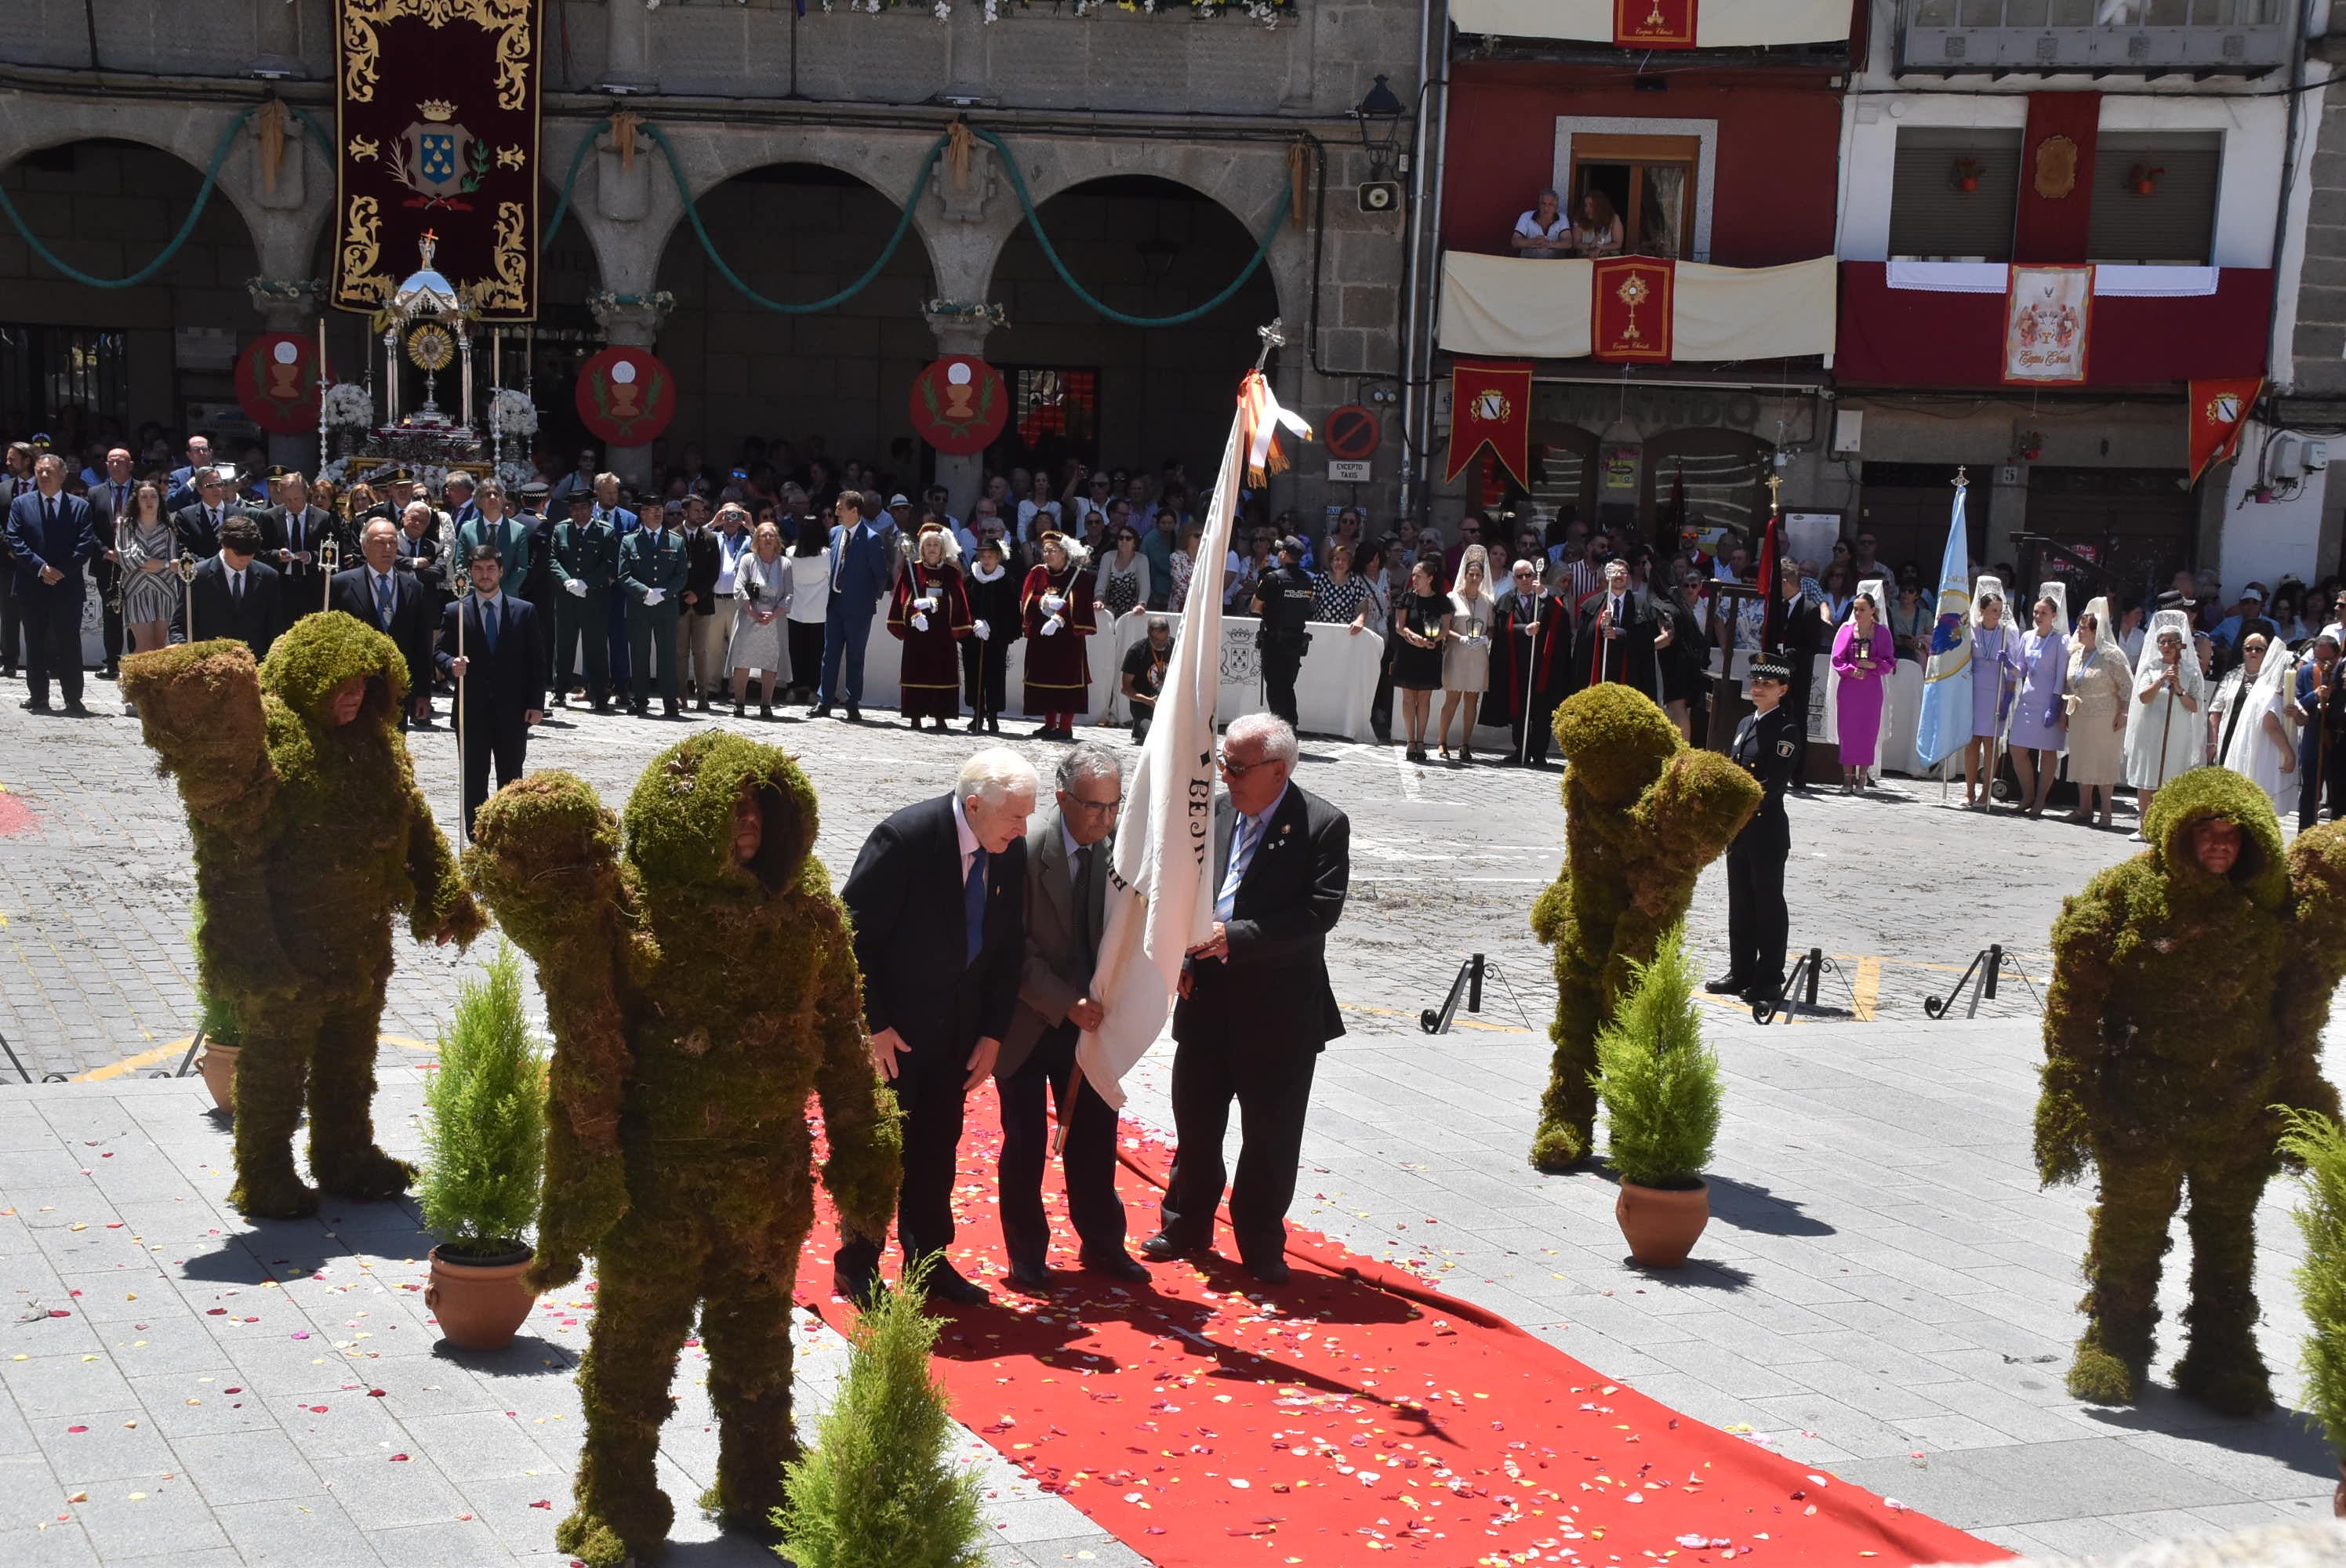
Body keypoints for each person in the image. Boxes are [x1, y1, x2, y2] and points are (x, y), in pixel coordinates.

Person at [2035, 768, 2346, 1415]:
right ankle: (2115, 1343)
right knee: (2130, 1231)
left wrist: (2303, 1098)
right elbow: (2076, 996)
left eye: (2233, 835)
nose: (2220, 846)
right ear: (2178, 834)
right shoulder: (2124, 894)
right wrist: (2069, 1090)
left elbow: (2299, 1006)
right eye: (2206, 833)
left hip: (2239, 1109)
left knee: (2229, 1238)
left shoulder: (2270, 906)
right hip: (2141, 1106)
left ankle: (2222, 1354)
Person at [1143, 714, 1349, 1286]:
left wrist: (1234, 939)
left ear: (1278, 770)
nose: (1225, 775)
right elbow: (1187, 891)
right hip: (1207, 999)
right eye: (1223, 762)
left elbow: (1318, 913)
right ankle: (1185, 1223)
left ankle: (1260, 1243)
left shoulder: (1321, 826)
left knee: (1270, 1137)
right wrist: (1184, 957)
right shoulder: (1214, 811)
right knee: (1196, 1123)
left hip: (1278, 1012)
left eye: (1237, 766)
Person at [836, 749, 1038, 1308]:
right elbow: (851, 937)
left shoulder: (1008, 847)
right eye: (1015, 817)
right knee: (882, 1151)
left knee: (936, 1150)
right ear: (974, 806)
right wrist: (872, 1025)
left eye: (1027, 816)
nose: (1025, 829)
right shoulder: (906, 840)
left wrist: (993, 1034)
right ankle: (857, 1263)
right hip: (893, 1036)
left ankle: (927, 1262)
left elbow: (1006, 950)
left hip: (958, 1036)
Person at [996, 744, 1149, 1288]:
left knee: (1094, 1135)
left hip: (1088, 1028)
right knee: (1026, 1139)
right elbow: (1012, 949)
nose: (1105, 820)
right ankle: (1027, 1254)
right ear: (1062, 799)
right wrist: (1067, 1002)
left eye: (1114, 807)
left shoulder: (1116, 854)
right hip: (1026, 1023)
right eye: (1094, 807)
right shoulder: (1025, 849)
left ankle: (1103, 1243)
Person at [1712, 655, 1798, 1004]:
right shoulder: (1746, 722)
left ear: (1783, 690)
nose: (1758, 688)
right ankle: (1741, 970)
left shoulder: (1786, 729)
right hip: (1739, 831)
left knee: (1767, 904)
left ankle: (1769, 977)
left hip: (1765, 829)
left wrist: (1740, 805)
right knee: (1741, 903)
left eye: (1767, 684)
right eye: (1756, 682)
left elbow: (1772, 783)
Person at [5, 453, 99, 715]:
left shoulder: (79, 506)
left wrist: (60, 571)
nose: (44, 476)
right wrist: (40, 568)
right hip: (31, 584)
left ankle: (73, 698)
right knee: (35, 643)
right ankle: (38, 697)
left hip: (67, 586)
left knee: (69, 643)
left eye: (49, 472)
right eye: (39, 471)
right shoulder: (21, 505)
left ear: (62, 475)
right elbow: (15, 539)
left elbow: (85, 543)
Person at [329, 517, 435, 728]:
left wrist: (423, 693)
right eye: (379, 542)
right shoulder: (342, 584)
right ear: (365, 546)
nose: (387, 548)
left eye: (393, 542)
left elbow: (422, 644)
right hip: (356, 688)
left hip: (397, 689)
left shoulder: (414, 588)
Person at [2123, 608, 2206, 834]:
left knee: (2170, 778)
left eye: (2171, 642)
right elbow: (2143, 697)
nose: (2167, 646)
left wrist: (2179, 688)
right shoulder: (2150, 668)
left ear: (2180, 644)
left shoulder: (2190, 671)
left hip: (2176, 731)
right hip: (2150, 728)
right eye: (2162, 642)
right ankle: (2144, 826)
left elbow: (2195, 706)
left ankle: (2165, 829)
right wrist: (2161, 680)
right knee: (2147, 776)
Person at [813, 492, 891, 721]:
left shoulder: (871, 538)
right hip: (835, 604)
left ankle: (852, 702)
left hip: (859, 609)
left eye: (840, 508)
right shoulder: (835, 533)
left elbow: (880, 575)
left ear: (854, 511)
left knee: (855, 656)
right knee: (830, 655)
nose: (836, 513)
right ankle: (824, 701)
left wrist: (870, 598)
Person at [889, 523, 972, 731]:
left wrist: (937, 603)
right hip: (918, 634)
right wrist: (915, 614)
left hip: (942, 634)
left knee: (942, 672)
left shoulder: (951, 573)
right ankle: (915, 715)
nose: (933, 549)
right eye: (929, 545)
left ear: (943, 549)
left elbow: (959, 601)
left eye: (936, 545)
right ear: (922, 549)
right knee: (916, 671)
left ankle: (941, 716)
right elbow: (903, 599)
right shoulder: (912, 571)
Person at [1494, 559, 1571, 768]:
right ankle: (1521, 750)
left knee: (1542, 711)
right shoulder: (1506, 600)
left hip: (1544, 663)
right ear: (1514, 579)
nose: (1525, 579)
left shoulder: (1550, 596)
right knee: (1519, 710)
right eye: (1520, 576)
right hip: (1517, 663)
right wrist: (1523, 630)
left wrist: (1544, 596)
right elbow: (1500, 632)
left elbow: (1563, 620)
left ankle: (1539, 753)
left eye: (1529, 574)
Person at [2062, 597, 2132, 829]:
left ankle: (2106, 811)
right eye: (2080, 627)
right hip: (2080, 713)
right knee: (2082, 760)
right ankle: (2084, 808)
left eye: (2084, 628)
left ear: (2096, 630)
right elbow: (2069, 683)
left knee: (2103, 762)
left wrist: (2123, 713)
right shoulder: (2076, 653)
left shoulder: (2112, 655)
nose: (2079, 632)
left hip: (2105, 715)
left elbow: (2126, 686)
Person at [548, 490, 620, 713]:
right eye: (574, 508)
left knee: (596, 647)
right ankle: (560, 691)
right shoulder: (561, 529)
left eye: (583, 508)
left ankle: (600, 693)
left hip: (594, 598)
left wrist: (586, 583)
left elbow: (610, 565)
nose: (579, 512)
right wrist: (567, 581)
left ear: (591, 508)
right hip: (567, 596)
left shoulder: (605, 532)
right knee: (564, 645)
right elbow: (552, 560)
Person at [1022, 532, 1097, 742]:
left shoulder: (1078, 576)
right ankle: (1048, 724)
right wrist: (1043, 602)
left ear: (1064, 553)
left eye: (1052, 551)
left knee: (1067, 681)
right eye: (1044, 550)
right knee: (1044, 678)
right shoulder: (1037, 573)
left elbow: (1081, 602)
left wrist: (1059, 618)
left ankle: (1065, 727)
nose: (1047, 555)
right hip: (1042, 636)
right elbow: (1028, 596)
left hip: (1067, 640)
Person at [618, 499, 688, 718]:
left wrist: (663, 593)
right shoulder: (630, 541)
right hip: (640, 606)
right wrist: (645, 593)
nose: (658, 514)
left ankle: (670, 700)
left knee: (667, 655)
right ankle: (640, 699)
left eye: (660, 510)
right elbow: (624, 575)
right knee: (639, 654)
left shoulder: (676, 541)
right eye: (652, 511)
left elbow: (681, 575)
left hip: (666, 607)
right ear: (643, 513)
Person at [2217, 630, 2298, 818]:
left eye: (2259, 649)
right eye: (2249, 649)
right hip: (2263, 753)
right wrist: (2288, 753)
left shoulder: (2267, 688)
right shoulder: (2267, 690)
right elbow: (2270, 723)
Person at [187, 514, 283, 668]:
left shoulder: (268, 577)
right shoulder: (197, 576)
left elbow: (276, 626)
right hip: (209, 666)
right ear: (224, 545)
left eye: (250, 554)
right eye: (239, 554)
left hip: (255, 665)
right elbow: (182, 624)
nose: (244, 560)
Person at [2009, 594, 2071, 819]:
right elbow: (2021, 670)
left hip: (2049, 700)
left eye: (2043, 613)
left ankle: (2041, 799)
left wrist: (2055, 703)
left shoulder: (2061, 640)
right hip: (2028, 700)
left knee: (2048, 751)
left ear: (2054, 616)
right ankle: (2027, 794)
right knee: (2017, 748)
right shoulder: (2027, 636)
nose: (2038, 616)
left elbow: (2062, 674)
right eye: (2036, 612)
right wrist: (2010, 665)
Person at [1963, 579, 2021, 811]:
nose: (1997, 615)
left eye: (2000, 611)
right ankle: (1969, 791)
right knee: (1971, 743)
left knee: (1990, 744)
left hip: (1995, 694)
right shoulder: (1972, 631)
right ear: (1982, 611)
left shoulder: (2008, 633)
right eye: (1993, 611)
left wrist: (2008, 696)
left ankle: (1986, 791)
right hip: (1974, 692)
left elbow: (2016, 671)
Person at [1435, 542, 1495, 763]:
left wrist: (1485, 638)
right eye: (1471, 574)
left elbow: (1490, 626)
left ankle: (1465, 743)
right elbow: (1445, 627)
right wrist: (1459, 637)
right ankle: (1442, 741)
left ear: (1482, 577)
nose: (1474, 578)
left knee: (1472, 700)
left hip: (1478, 654)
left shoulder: (1487, 601)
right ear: (1465, 574)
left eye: (1478, 574)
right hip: (1457, 651)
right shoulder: (1452, 598)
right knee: (1452, 699)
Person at [725, 520, 791, 720]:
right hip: (749, 617)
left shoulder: (785, 563)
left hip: (774, 619)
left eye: (772, 535)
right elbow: (738, 588)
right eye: (764, 535)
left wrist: (774, 614)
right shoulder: (748, 560)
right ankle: (739, 704)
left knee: (770, 663)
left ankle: (766, 704)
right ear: (757, 539)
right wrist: (753, 612)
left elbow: (789, 595)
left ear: (777, 539)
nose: (768, 538)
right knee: (742, 660)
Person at [1829, 591, 1894, 795]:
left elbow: (1890, 662)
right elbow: (1837, 659)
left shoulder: (1882, 633)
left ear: (1873, 610)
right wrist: (1850, 669)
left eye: (1862, 609)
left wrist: (1874, 664)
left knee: (1867, 731)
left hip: (1871, 689)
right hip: (1850, 688)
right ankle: (1847, 777)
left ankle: (1863, 778)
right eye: (1855, 609)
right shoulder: (1846, 631)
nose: (1857, 613)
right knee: (1847, 731)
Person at [115, 476, 181, 670]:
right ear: (136, 500)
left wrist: (160, 565)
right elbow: (130, 559)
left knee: (160, 646)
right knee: (144, 646)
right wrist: (166, 565)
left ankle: (154, 693)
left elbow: (174, 563)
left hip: (164, 591)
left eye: (153, 496)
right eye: (144, 497)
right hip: (137, 590)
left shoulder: (168, 528)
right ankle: (129, 685)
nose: (149, 501)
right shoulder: (126, 525)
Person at [1251, 533, 1315, 728]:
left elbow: (1255, 607)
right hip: (1295, 642)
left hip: (1275, 640)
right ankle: (1291, 726)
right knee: (1288, 686)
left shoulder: (1273, 578)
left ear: (1284, 554)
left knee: (1275, 688)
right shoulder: (1306, 580)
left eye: (1280, 551)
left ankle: (1280, 728)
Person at [961, 534, 1019, 735]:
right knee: (973, 674)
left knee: (994, 675)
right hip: (973, 637)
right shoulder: (970, 579)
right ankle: (977, 713)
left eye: (991, 556)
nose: (986, 559)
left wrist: (991, 625)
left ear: (998, 558)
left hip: (996, 639)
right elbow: (963, 606)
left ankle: (993, 715)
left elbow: (1011, 612)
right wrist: (974, 623)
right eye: (984, 555)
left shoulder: (1006, 582)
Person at [1392, 557, 1447, 762]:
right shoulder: (1406, 598)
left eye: (1419, 575)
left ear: (1430, 578)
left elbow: (1446, 628)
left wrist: (1433, 641)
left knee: (1424, 698)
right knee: (1408, 697)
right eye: (1413, 575)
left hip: (1429, 652)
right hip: (1409, 651)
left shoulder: (1441, 601)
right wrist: (1412, 638)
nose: (1414, 578)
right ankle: (1410, 740)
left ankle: (1421, 740)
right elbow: (1400, 626)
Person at [260, 472, 333, 617]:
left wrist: (311, 556)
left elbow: (332, 553)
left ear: (306, 493)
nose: (292, 504)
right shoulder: (270, 517)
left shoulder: (322, 518)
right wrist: (278, 555)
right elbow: (260, 552)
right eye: (287, 500)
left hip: (312, 587)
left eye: (296, 499)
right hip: (281, 586)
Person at [2296, 632, 2346, 829]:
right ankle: (2305, 832)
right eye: (2319, 659)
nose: (2324, 664)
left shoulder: (2342, 672)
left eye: (2329, 660)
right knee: (2310, 789)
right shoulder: (2308, 672)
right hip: (2313, 737)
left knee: (2338, 789)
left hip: (2337, 739)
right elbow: (2299, 702)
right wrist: (2315, 695)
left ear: (2338, 656)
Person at [1120, 613, 1173, 743]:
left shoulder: (1175, 646)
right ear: (1149, 634)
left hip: (1170, 704)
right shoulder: (1136, 652)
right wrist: (1148, 700)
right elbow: (1125, 689)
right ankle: (1140, 725)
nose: (1162, 644)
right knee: (1158, 739)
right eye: (1157, 641)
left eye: (1165, 639)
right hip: (1144, 705)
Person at [1511, 187, 1571, 256]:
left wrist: (1548, 244)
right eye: (1543, 204)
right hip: (1529, 262)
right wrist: (1534, 241)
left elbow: (1568, 242)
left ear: (1556, 206)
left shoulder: (1562, 218)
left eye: (1550, 204)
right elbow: (1515, 241)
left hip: (1554, 264)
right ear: (1538, 204)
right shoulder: (1526, 216)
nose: (1546, 208)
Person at [1571, 187, 1625, 258]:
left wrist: (1599, 248)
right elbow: (1576, 244)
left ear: (1600, 206)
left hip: (1609, 259)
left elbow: (1618, 244)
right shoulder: (1579, 220)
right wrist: (1590, 246)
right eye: (1585, 206)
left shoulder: (1614, 219)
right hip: (1585, 260)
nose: (1587, 209)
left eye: (1591, 205)